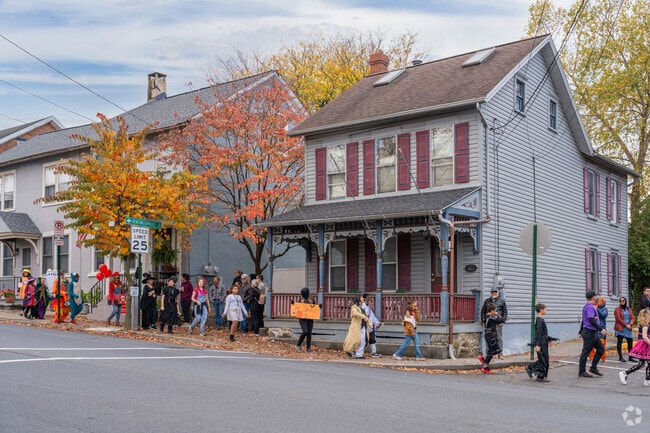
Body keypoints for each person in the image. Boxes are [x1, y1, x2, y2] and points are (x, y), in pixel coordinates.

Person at [525, 303, 558, 382]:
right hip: (541, 344)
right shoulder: (539, 320)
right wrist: (538, 345)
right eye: (545, 309)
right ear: (541, 310)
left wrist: (549, 339)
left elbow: (543, 333)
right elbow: (538, 333)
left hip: (543, 342)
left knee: (543, 359)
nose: (546, 311)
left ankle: (537, 373)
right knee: (543, 360)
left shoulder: (540, 320)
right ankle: (538, 374)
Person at [578, 290, 607, 378]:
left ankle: (593, 367)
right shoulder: (590, 307)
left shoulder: (588, 306)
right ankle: (582, 371)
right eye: (595, 296)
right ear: (593, 297)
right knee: (585, 352)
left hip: (593, 332)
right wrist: (601, 329)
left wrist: (580, 331)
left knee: (600, 349)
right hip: (589, 332)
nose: (596, 298)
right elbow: (590, 319)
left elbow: (584, 320)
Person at [619, 308, 650, 387]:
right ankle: (647, 379)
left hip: (644, 345)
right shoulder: (645, 326)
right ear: (646, 316)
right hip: (645, 345)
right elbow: (644, 336)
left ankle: (625, 373)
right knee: (645, 363)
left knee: (641, 364)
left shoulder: (644, 325)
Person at [478, 303, 506, 374]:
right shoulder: (492, 317)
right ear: (492, 311)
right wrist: (498, 315)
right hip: (491, 335)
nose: (496, 312)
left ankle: (485, 364)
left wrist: (496, 317)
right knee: (493, 351)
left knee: (494, 350)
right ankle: (484, 365)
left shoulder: (485, 317)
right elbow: (501, 320)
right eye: (495, 311)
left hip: (487, 334)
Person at [480, 287, 508, 354]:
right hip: (489, 322)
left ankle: (500, 353)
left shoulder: (502, 301)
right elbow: (483, 311)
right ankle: (489, 353)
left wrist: (503, 321)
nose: (494, 293)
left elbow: (505, 312)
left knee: (499, 338)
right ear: (490, 292)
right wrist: (483, 321)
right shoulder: (487, 301)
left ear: (498, 292)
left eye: (495, 291)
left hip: (498, 322)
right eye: (493, 292)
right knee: (488, 338)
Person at [361, 293, 383, 357]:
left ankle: (374, 352)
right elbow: (366, 314)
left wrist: (377, 322)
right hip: (367, 324)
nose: (370, 299)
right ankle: (358, 352)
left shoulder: (369, 306)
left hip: (371, 324)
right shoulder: (363, 305)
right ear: (365, 299)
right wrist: (368, 307)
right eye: (368, 298)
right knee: (364, 339)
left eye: (370, 298)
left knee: (372, 338)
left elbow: (372, 316)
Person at [614, 297, 634, 362]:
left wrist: (630, 324)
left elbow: (632, 317)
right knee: (619, 342)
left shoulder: (628, 309)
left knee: (630, 342)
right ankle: (620, 357)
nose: (622, 302)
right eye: (620, 301)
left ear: (625, 301)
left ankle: (630, 357)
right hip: (621, 327)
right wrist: (626, 325)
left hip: (628, 328)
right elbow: (618, 319)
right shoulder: (617, 309)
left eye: (623, 300)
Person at [295, 287, 315, 352]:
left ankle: (308, 348)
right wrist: (293, 303)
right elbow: (296, 308)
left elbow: (315, 308)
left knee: (309, 333)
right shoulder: (300, 301)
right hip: (302, 318)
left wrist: (319, 307)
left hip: (310, 318)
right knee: (305, 331)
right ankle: (298, 345)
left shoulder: (311, 300)